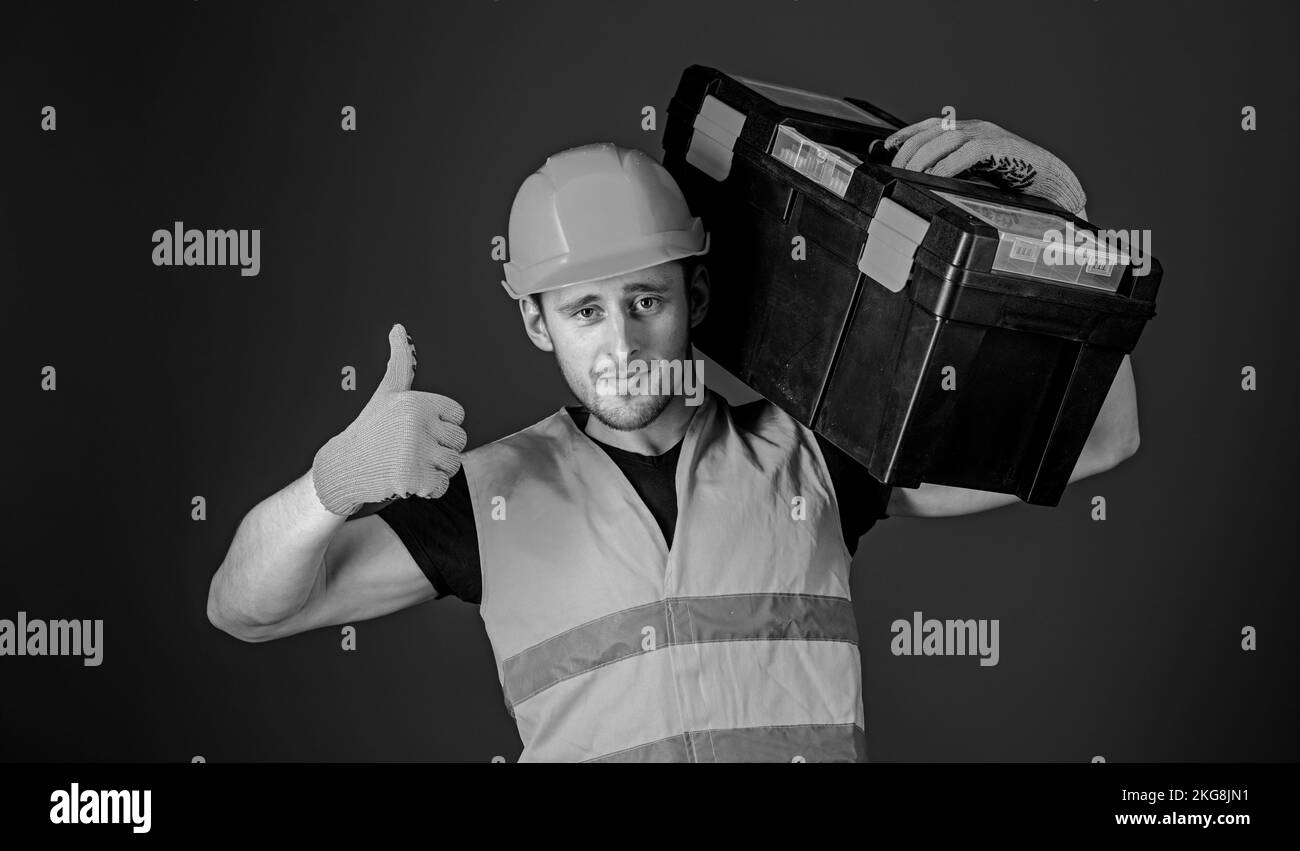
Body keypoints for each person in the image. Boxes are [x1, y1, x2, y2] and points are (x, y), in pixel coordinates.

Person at [207, 121, 1140, 762]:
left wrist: (1059, 232)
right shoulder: (486, 500)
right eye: (584, 311)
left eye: (645, 301)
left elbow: (1100, 438)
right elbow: (244, 608)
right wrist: (331, 486)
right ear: (540, 325)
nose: (620, 344)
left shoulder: (816, 456)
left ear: (693, 299)